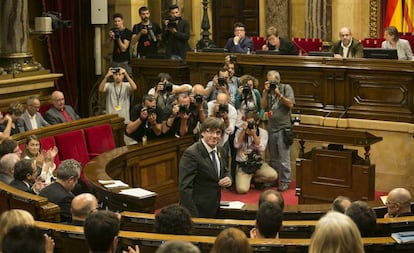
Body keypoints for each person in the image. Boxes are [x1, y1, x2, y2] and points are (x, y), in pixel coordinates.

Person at [179, 117, 232, 218]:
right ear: (202, 133)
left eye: (218, 133)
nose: (214, 136)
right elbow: (184, 188)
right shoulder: (191, 154)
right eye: (210, 132)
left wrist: (228, 178)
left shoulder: (221, 150)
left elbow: (225, 171)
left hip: (214, 207)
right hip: (197, 210)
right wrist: (193, 215)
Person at [261, 70, 295, 192]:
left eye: (273, 81)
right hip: (271, 127)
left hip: (283, 128)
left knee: (284, 158)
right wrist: (265, 92)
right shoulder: (268, 91)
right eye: (269, 81)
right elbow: (263, 107)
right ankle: (274, 179)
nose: (271, 84)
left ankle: (285, 181)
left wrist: (279, 94)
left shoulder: (286, 88)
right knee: (273, 158)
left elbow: (290, 104)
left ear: (278, 80)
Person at [234, 111, 277, 193]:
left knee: (273, 175)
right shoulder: (240, 130)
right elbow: (236, 145)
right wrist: (243, 131)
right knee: (242, 190)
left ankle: (256, 180)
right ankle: (247, 179)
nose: (249, 124)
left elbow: (261, 149)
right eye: (247, 122)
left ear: (257, 122)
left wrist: (254, 135)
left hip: (257, 163)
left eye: (252, 122)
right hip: (243, 164)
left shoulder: (263, 133)